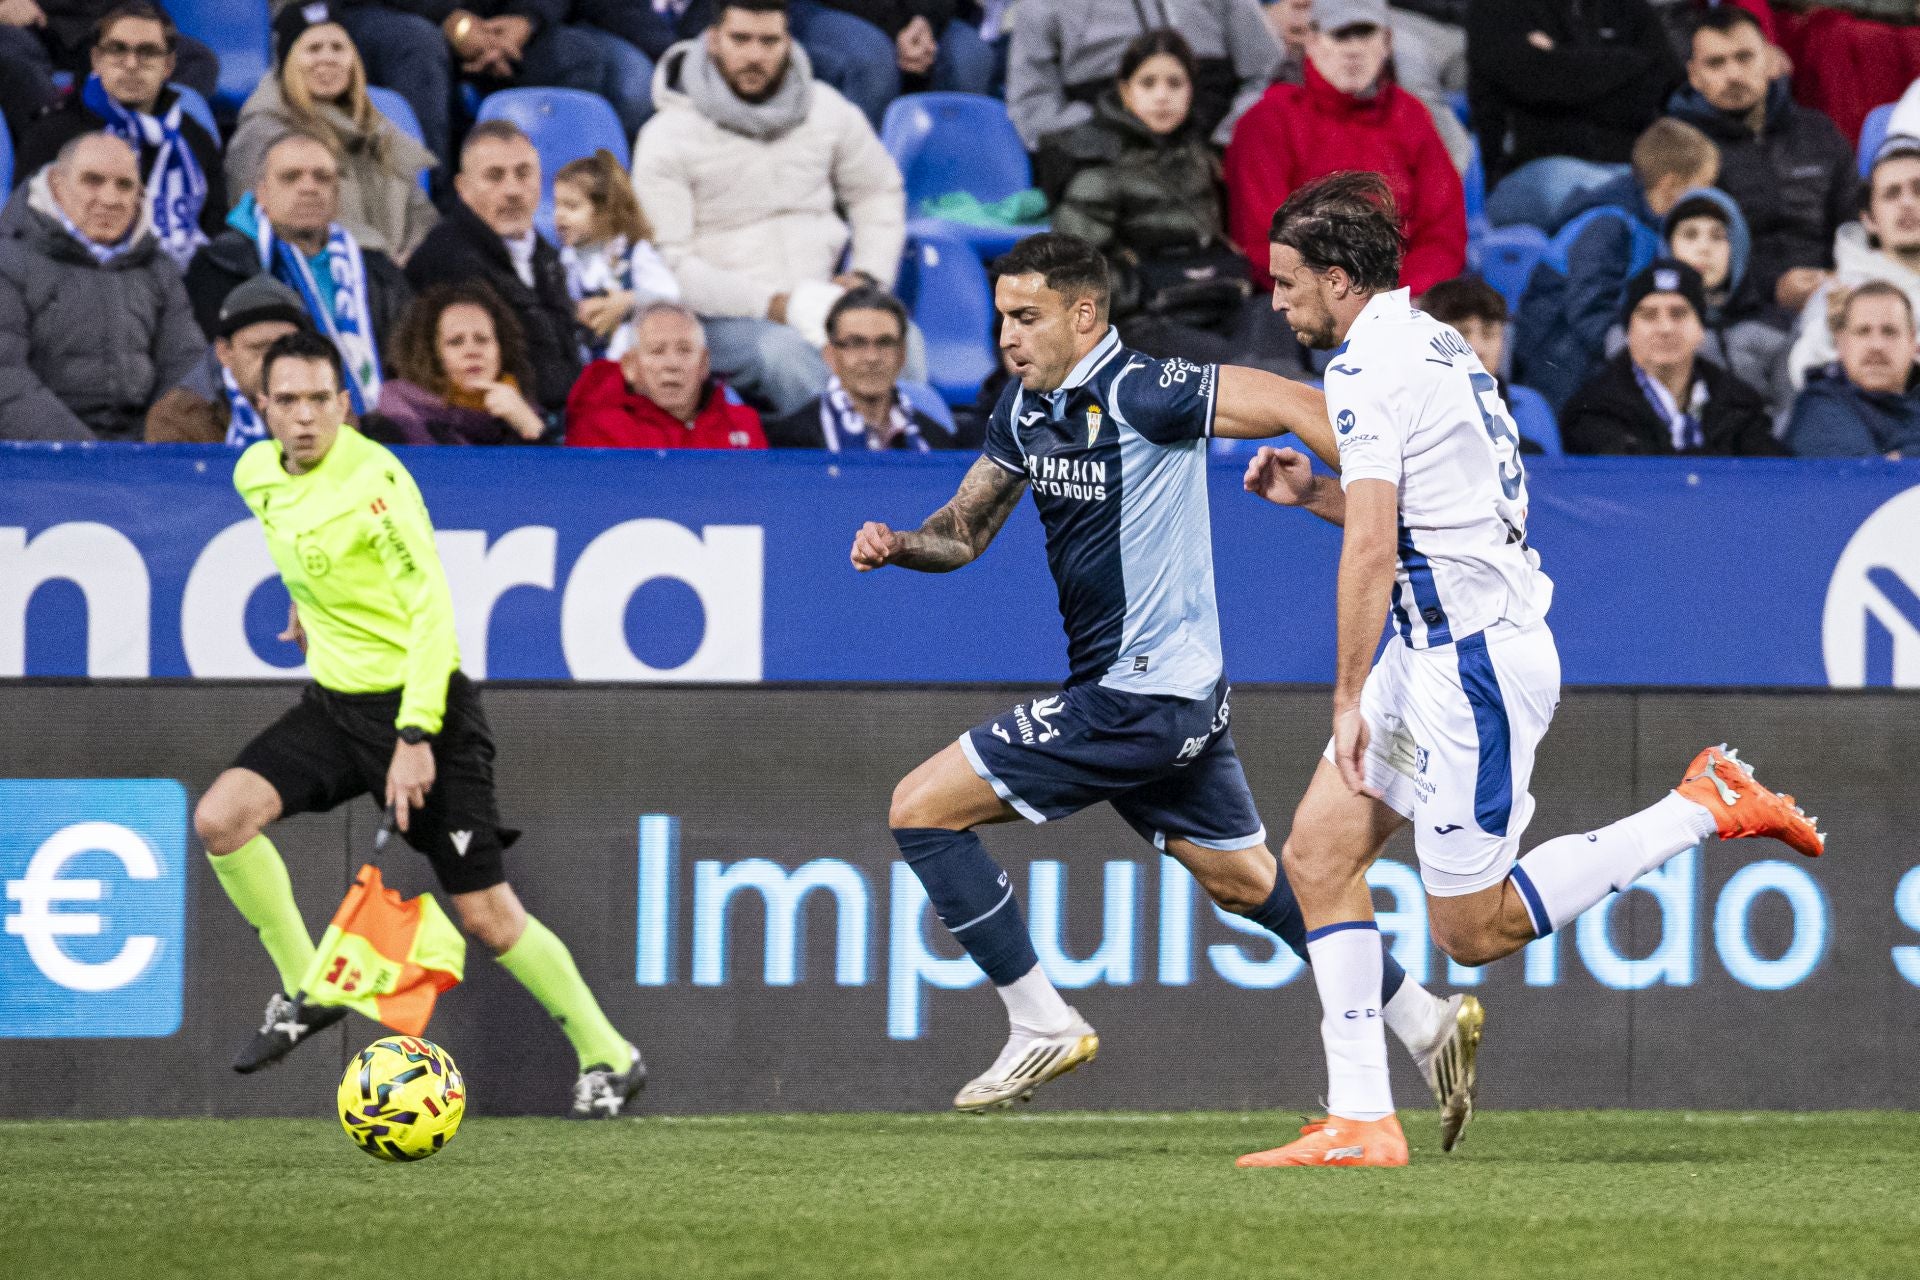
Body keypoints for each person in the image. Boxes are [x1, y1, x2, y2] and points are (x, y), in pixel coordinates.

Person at [1236, 172, 1821, 1167]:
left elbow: (1379, 547)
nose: (1277, 298)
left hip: (1468, 668)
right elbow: (1439, 519)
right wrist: (1319, 493)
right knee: (1317, 859)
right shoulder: (1434, 342)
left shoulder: (1368, 368)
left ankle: (1704, 801)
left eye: (1288, 281)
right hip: (1436, 647)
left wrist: (1342, 694)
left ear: (1339, 280)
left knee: (1472, 928)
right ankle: (1363, 1118)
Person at [849, 232, 1478, 1142]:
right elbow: (965, 529)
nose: (1008, 339)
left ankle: (1042, 1020)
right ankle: (1426, 1021)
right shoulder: (1025, 411)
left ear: (1083, 315)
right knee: (1247, 882)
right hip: (1160, 698)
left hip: (1139, 700)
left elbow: (1298, 401)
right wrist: (903, 544)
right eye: (999, 321)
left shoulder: (1147, 388)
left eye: (1026, 319)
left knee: (919, 810)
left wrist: (1387, 491)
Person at [193, 329, 647, 1116]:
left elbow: (432, 614)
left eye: (320, 400)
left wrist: (413, 738)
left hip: (423, 707)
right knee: (223, 818)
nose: (305, 417)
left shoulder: (377, 484)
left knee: (488, 915)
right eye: (288, 401)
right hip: (335, 707)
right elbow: (297, 541)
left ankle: (611, 1055)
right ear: (261, 407)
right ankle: (309, 986)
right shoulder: (255, 473)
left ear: (345, 404)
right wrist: (306, 605)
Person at [632, 0, 908, 419]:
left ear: (788, 42)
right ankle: (854, 471)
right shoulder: (666, 135)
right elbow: (670, 262)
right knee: (787, 356)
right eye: (740, 39)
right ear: (712, 41)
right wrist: (775, 304)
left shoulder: (828, 109)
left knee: (905, 345)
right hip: (724, 317)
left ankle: (925, 468)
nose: (755, 55)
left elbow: (876, 191)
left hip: (826, 298)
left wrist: (868, 277)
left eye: (769, 41)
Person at [1042, 30, 1282, 371]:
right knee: (1244, 371)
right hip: (1141, 321)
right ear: (1125, 91)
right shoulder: (1100, 165)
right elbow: (1070, 270)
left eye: (1174, 83)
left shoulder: (1200, 157)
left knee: (1282, 327)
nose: (1162, 96)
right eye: (1148, 83)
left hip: (1213, 301)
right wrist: (1141, 288)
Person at [1225, 0, 1465, 299]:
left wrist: (1392, 298)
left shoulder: (1411, 115)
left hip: (1406, 300)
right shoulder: (1267, 121)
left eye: (1364, 34)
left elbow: (1444, 231)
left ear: (1387, 41)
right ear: (1311, 41)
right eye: (1340, 35)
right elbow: (1264, 242)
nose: (1353, 50)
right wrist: (1340, 302)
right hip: (1311, 307)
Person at [185, 129, 411, 418]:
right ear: (261, 193)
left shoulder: (376, 269)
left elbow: (406, 360)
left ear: (337, 194)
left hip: (371, 426)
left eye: (322, 178)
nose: (309, 187)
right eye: (290, 177)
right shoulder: (219, 265)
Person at [0, 133, 204, 441]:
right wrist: (88, 456)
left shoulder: (159, 269)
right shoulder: (7, 260)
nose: (109, 199)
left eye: (124, 185)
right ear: (57, 184)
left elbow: (185, 368)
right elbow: (6, 378)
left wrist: (151, 449)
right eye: (92, 181)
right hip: (36, 463)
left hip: (142, 460)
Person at [1510, 116, 1719, 409]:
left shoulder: (1653, 224)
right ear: (1672, 185)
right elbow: (1586, 306)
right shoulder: (1608, 223)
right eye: (1701, 186)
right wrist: (1634, 351)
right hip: (1560, 352)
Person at [1665, 6, 1857, 319]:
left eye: (1745, 57)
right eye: (1716, 63)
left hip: (1837, 300)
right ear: (1694, 76)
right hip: (1734, 313)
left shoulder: (1819, 132)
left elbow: (1854, 225)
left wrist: (1838, 280)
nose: (1733, 74)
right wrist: (1773, 288)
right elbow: (1684, 252)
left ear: (1770, 60)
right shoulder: (1678, 147)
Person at [14, 2, 224, 271]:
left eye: (147, 52)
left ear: (169, 65)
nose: (132, 64)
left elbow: (216, 233)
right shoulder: (52, 136)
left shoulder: (194, 138)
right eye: (117, 49)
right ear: (96, 60)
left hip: (183, 287)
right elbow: (25, 236)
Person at [225, 2, 438, 263]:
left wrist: (417, 258)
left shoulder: (378, 129)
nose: (328, 58)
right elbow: (271, 226)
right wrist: (379, 267)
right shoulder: (262, 135)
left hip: (395, 280)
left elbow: (420, 214)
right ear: (287, 60)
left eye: (338, 47)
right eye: (313, 49)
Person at [328, 0, 655, 169]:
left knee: (577, 55)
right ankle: (430, 205)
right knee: (419, 46)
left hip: (494, 25)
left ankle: (567, 204)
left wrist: (525, 20)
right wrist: (452, 21)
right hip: (393, 14)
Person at [404, 120, 580, 417]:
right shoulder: (446, 260)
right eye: (494, 177)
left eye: (523, 174)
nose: (513, 190)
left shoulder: (547, 256)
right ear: (463, 188)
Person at [1560, 259, 1783, 455]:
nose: (1665, 328)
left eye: (1679, 313)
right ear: (1628, 332)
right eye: (1649, 315)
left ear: (1701, 330)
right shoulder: (1593, 409)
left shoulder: (1740, 403)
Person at [1464, 0, 1679, 186]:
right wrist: (1625, 68)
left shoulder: (1627, 7)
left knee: (1685, 193)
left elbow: (1661, 79)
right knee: (1616, 194)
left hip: (1630, 162)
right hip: (1528, 169)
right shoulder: (1497, 7)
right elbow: (1536, 83)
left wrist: (1560, 57)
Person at [1787, 139, 1920, 390]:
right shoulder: (1843, 292)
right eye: (1892, 194)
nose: (1907, 203)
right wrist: (1831, 331)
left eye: (1919, 190)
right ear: (1869, 220)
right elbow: (1801, 375)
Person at [767, 288, 956, 449]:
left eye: (885, 343)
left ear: (902, 355)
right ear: (830, 356)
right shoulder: (791, 441)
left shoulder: (935, 441)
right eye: (856, 343)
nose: (872, 357)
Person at [565, 301, 767, 448]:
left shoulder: (743, 423)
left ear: (704, 364)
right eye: (657, 351)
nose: (672, 365)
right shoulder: (599, 430)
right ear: (630, 366)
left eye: (685, 350)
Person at [1658, 187, 1785, 411]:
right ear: (1669, 246)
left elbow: (1791, 410)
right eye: (1690, 235)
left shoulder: (1777, 327)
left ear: (1737, 248)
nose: (1704, 248)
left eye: (1718, 237)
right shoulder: (1639, 330)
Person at [375, 281, 548, 444]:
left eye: (482, 340)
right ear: (430, 353)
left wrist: (531, 429)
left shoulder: (523, 409)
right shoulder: (398, 407)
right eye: (455, 342)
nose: (472, 351)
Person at [147, 275, 312, 444]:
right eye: (257, 348)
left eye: (285, 348)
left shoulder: (326, 407)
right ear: (224, 352)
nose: (272, 360)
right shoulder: (178, 416)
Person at [551, 149, 679, 363]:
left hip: (635, 361)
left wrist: (629, 301)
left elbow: (670, 296)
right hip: (589, 364)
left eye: (571, 206)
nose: (559, 215)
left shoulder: (635, 254)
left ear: (604, 212)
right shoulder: (565, 260)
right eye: (557, 204)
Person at [1420, 274, 1557, 452]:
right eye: (1460, 334)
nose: (1478, 349)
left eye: (1489, 333)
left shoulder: (1528, 453)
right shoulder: (1398, 435)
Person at [1785, 281, 1920, 459]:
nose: (1876, 345)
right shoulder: (1820, 405)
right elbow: (1868, 478)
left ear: (1913, 344)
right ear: (1841, 343)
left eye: (1890, 332)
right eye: (1863, 332)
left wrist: (1901, 456)